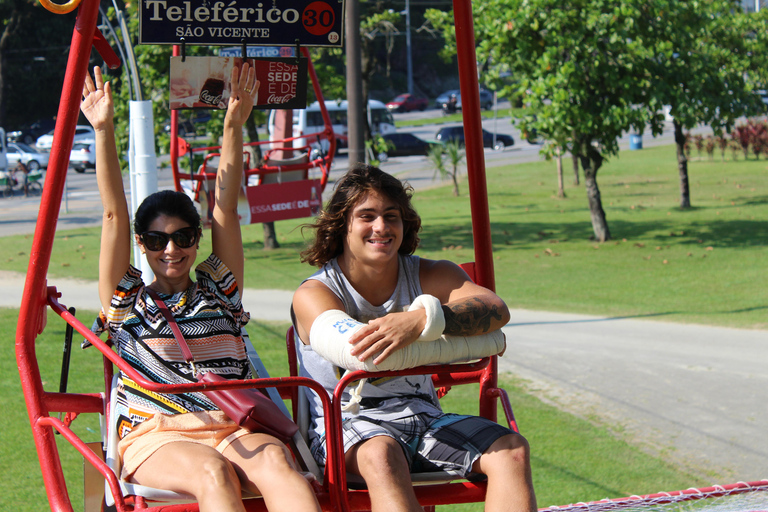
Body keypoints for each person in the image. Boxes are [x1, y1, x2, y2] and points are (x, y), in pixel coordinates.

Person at [81, 64, 321, 512]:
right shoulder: (128, 298)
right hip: (158, 430)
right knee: (213, 472)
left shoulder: (218, 289)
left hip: (231, 424)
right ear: (141, 244)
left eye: (182, 237)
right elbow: (113, 213)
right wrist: (103, 129)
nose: (170, 250)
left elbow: (225, 209)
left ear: (197, 239)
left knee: (279, 464)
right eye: (156, 240)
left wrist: (234, 125)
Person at [291, 164, 537, 512]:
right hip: (345, 427)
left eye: (391, 216)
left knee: (511, 450)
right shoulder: (315, 293)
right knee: (382, 453)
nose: (381, 227)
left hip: (422, 417)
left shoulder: (430, 273)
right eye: (367, 216)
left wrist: (421, 319)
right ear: (341, 226)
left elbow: (496, 310)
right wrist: (449, 336)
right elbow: (359, 353)